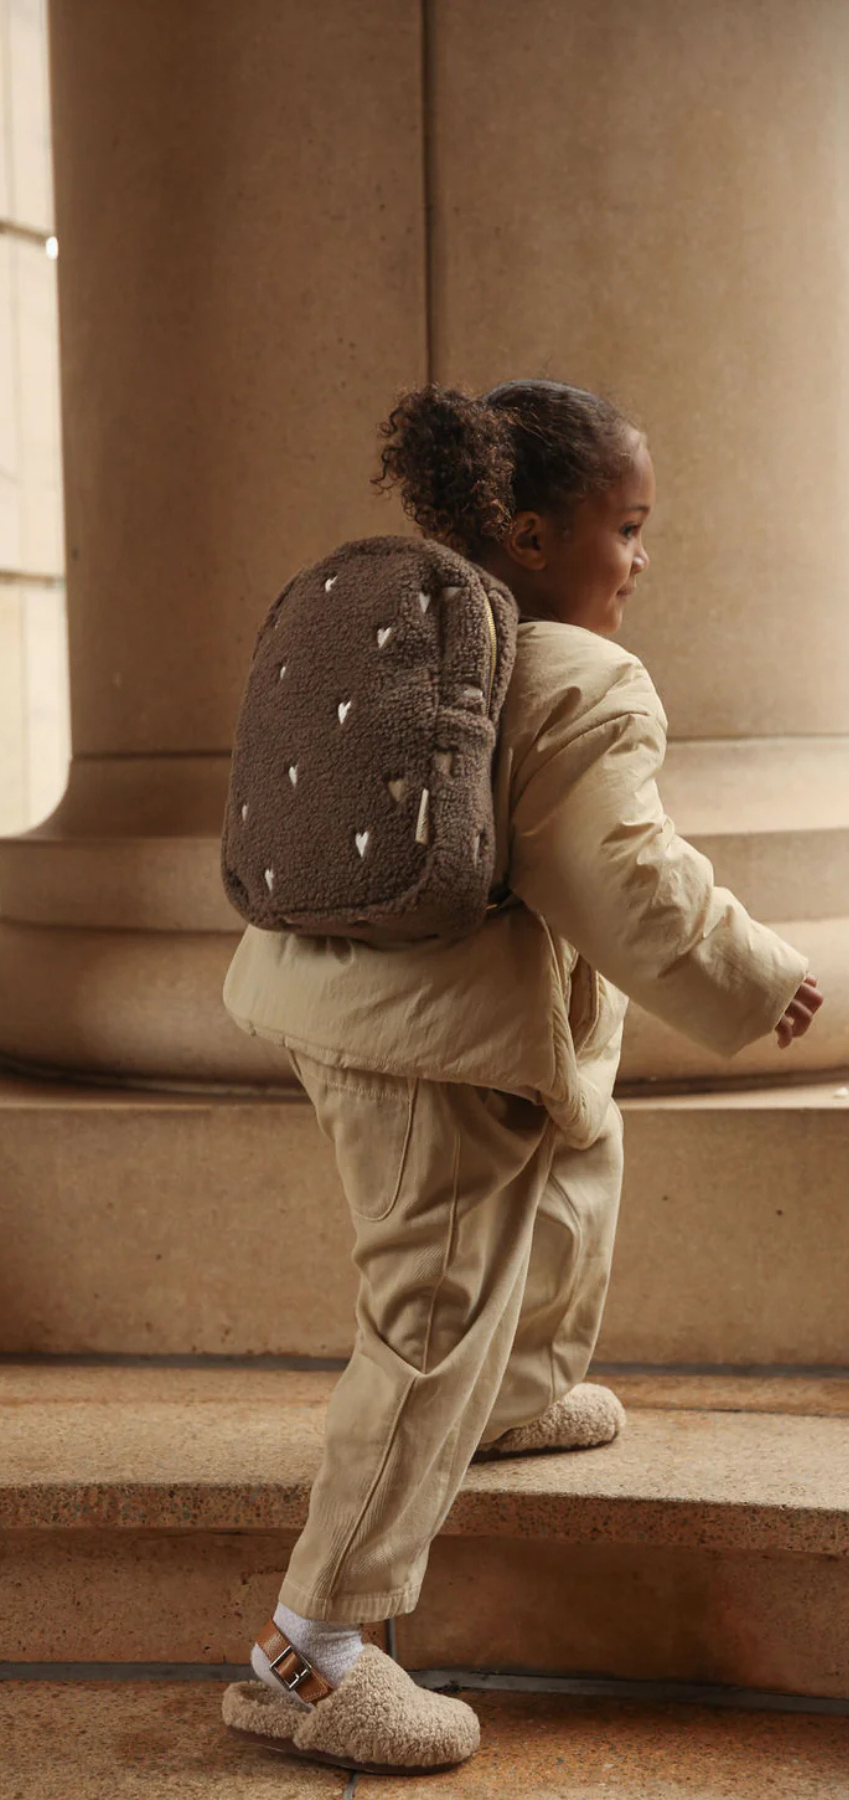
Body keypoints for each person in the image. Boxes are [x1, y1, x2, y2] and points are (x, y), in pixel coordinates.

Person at [218, 380, 825, 1777]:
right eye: (629, 526)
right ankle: (311, 1656)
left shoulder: (409, 643)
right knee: (432, 1312)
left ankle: (517, 1393)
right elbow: (625, 882)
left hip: (349, 1006)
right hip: (434, 1048)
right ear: (538, 534)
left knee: (570, 1162)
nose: (642, 558)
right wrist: (751, 974)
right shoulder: (577, 676)